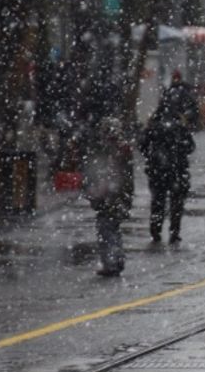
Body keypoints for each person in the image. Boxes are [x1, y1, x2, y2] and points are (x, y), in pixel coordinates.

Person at [139, 103, 196, 243]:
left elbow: (142, 147)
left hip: (157, 171)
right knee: (177, 203)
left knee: (158, 202)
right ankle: (174, 232)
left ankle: (155, 231)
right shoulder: (180, 128)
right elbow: (190, 147)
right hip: (178, 170)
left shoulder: (152, 129)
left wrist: (153, 158)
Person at [83, 116, 131, 276]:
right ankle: (116, 260)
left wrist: (99, 191)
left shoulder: (113, 150)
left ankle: (111, 262)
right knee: (112, 228)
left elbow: (110, 174)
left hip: (112, 196)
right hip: (119, 195)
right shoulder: (121, 148)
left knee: (106, 228)